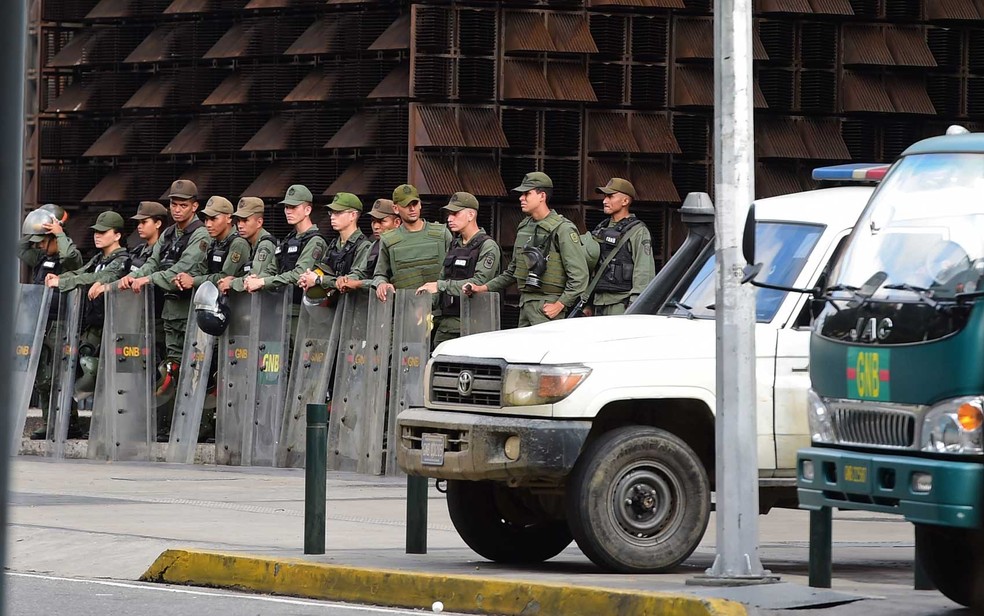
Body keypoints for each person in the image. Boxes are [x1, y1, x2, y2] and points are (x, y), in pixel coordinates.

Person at [118, 179, 209, 440]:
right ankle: (171, 425)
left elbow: (185, 268)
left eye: (183, 205)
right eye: (173, 204)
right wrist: (135, 277)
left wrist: (148, 279)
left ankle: (198, 425)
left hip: (192, 311)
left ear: (194, 206)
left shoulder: (200, 234)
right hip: (170, 310)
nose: (177, 209)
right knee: (172, 369)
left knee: (194, 368)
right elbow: (153, 262)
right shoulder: (169, 234)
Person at [39, 211, 131, 439]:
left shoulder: (122, 260)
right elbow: (82, 273)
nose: (97, 236)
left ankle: (114, 428)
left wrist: (63, 281)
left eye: (103, 232)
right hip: (92, 327)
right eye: (96, 232)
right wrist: (60, 279)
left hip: (112, 328)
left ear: (117, 235)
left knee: (103, 376)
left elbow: (94, 279)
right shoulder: (99, 259)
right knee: (80, 371)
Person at [466, 172, 588, 327]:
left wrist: (560, 304)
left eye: (526, 194)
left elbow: (579, 276)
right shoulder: (524, 227)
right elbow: (513, 271)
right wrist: (482, 288)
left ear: (542, 196)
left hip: (548, 310)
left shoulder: (563, 229)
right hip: (525, 307)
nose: (521, 198)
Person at [18, 204, 83, 413]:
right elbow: (19, 248)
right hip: (41, 321)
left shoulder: (70, 258)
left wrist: (60, 232)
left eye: (44, 241)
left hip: (60, 322)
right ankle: (48, 421)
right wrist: (36, 226)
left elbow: (71, 258)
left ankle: (67, 421)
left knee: (59, 373)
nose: (40, 247)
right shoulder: (41, 258)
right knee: (43, 374)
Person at [416, 192, 501, 346]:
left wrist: (439, 286)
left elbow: (479, 282)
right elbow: (443, 276)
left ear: (470, 215)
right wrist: (427, 306)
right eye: (449, 214)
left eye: (455, 214)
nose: (449, 218)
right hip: (448, 324)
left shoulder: (487, 246)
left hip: (474, 325)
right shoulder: (454, 245)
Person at [243, 184, 328, 303]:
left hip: (303, 307)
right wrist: (256, 278)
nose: (288, 211)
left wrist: (262, 282)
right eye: (287, 207)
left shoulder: (315, 241)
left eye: (293, 207)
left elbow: (299, 274)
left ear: (307, 210)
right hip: (282, 305)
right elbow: (272, 268)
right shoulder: (289, 239)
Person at [371, 184, 453, 304]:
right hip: (405, 310)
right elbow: (380, 274)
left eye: (414, 204)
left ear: (420, 204)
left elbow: (456, 274)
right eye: (406, 205)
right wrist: (381, 284)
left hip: (441, 309)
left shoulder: (442, 234)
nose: (412, 209)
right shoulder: (388, 240)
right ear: (395, 208)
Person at [588, 178, 655, 316]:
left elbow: (644, 270)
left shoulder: (638, 231)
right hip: (598, 303)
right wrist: (588, 303)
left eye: (610, 196)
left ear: (625, 201)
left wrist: (635, 305)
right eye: (605, 196)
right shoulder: (601, 228)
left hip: (621, 304)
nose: (604, 201)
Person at [297, 192, 371, 302]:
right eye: (331, 212)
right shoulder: (334, 244)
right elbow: (323, 268)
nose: (332, 217)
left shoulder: (364, 246)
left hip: (352, 308)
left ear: (353, 215)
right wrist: (308, 277)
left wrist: (319, 280)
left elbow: (350, 280)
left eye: (338, 213)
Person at [174, 196, 250, 291]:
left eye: (213, 219)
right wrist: (184, 277)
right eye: (206, 219)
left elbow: (225, 277)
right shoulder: (213, 241)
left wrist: (193, 280)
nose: (208, 224)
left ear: (229, 218)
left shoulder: (238, 243)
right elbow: (201, 268)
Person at [335, 198, 402, 294]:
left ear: (397, 222)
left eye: (382, 221)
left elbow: (392, 284)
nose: (376, 226)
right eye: (373, 221)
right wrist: (346, 279)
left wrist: (358, 284)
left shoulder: (402, 246)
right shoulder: (375, 246)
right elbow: (361, 272)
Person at [223, 197, 278, 294]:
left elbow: (255, 277)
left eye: (245, 220)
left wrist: (231, 283)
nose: (240, 225)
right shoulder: (253, 243)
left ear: (259, 222)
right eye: (239, 221)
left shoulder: (265, 244)